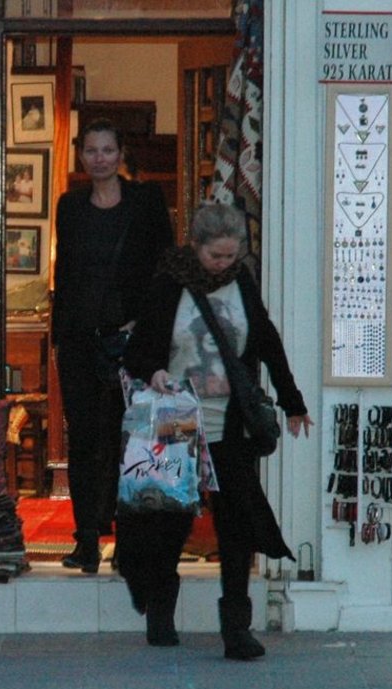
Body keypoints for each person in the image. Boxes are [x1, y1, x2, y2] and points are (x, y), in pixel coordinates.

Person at [118, 202, 314, 657]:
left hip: (229, 422)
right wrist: (155, 372)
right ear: (196, 246)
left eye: (232, 256)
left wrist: (292, 402)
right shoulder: (170, 282)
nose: (224, 264)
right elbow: (138, 351)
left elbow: (266, 340)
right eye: (216, 256)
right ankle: (160, 613)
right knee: (168, 523)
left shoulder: (241, 282)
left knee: (237, 526)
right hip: (175, 421)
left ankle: (236, 629)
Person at [52, 118, 174, 574]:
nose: (99, 158)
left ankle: (129, 543)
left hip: (132, 341)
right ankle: (86, 540)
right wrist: (61, 335)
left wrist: (147, 324)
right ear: (80, 156)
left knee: (132, 440)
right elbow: (65, 273)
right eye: (91, 150)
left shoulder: (145, 201)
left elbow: (165, 265)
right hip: (80, 340)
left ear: (121, 153)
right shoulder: (70, 206)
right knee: (84, 441)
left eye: (107, 150)